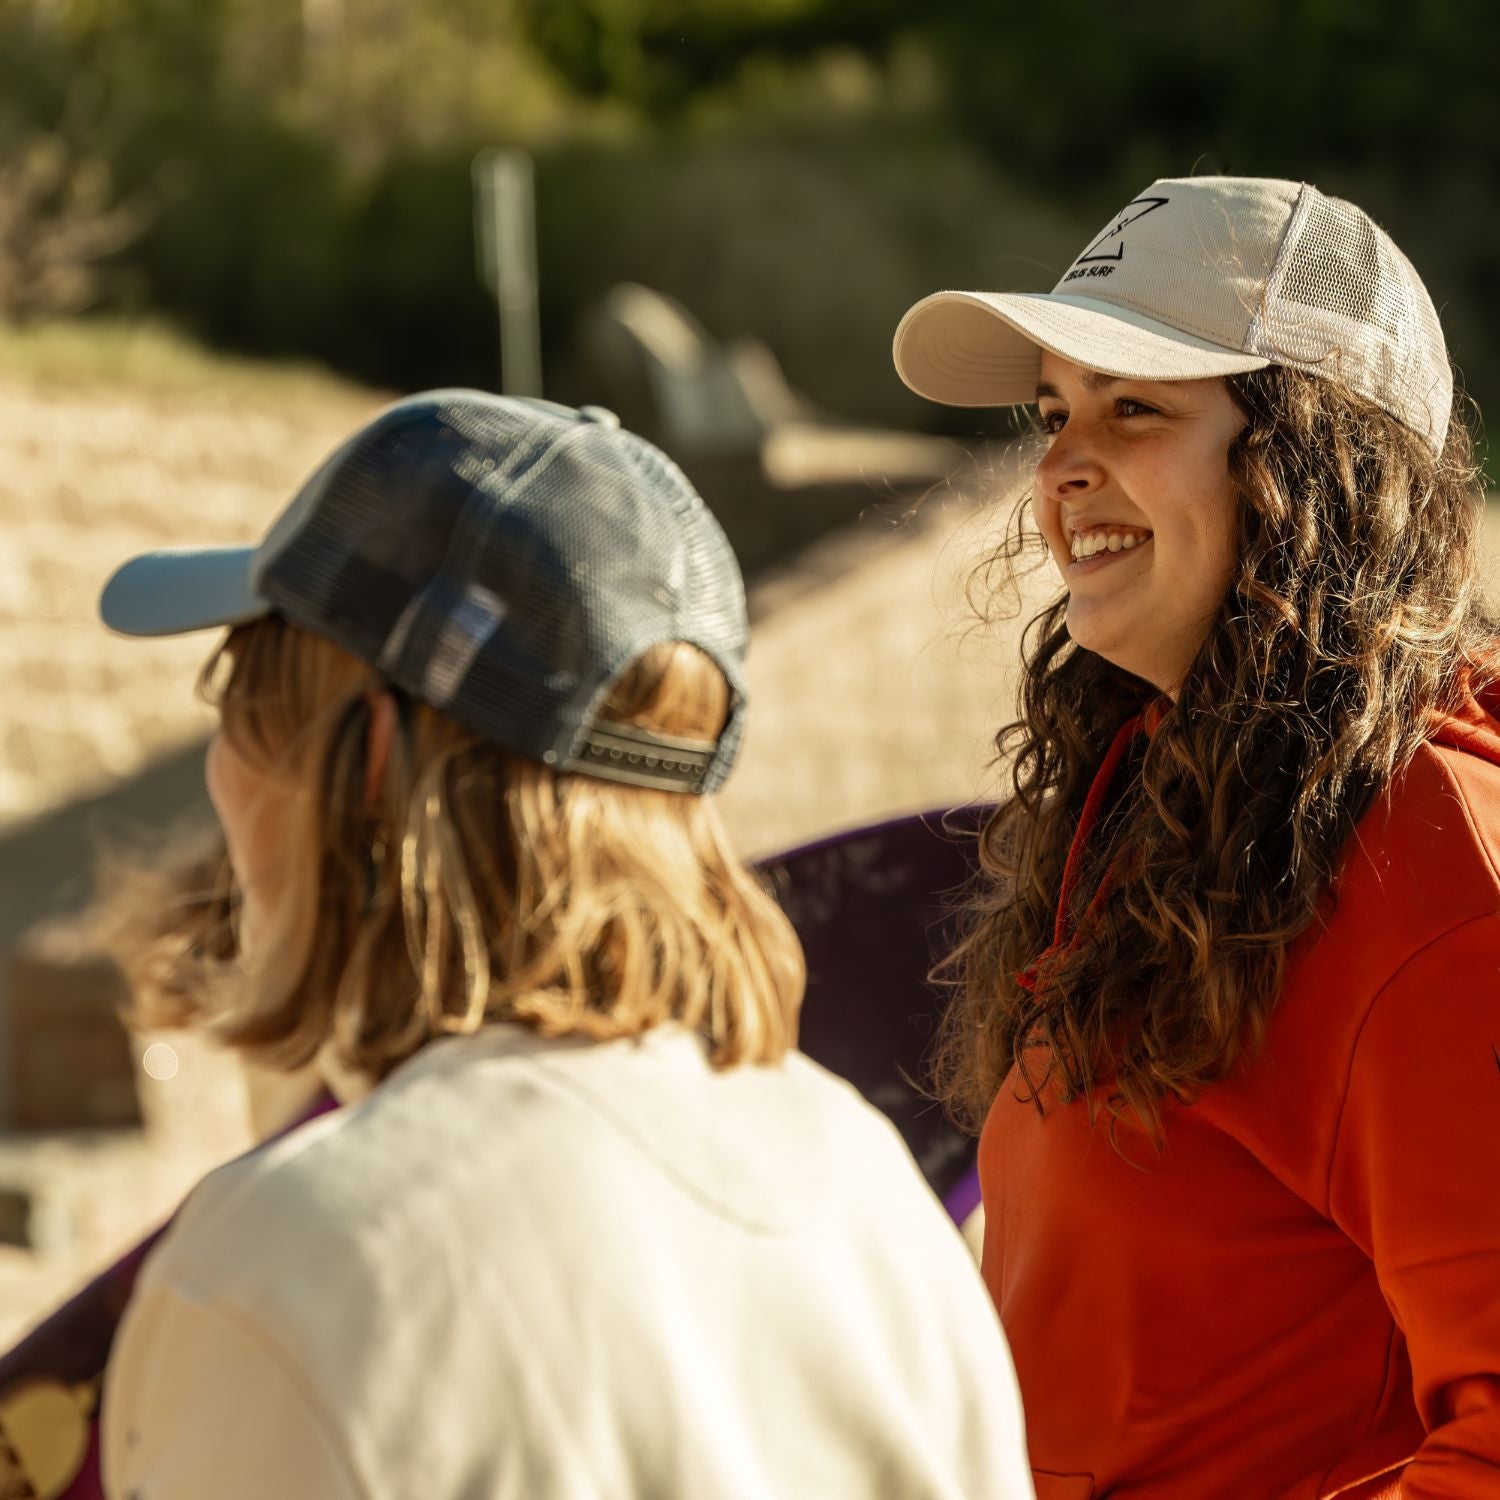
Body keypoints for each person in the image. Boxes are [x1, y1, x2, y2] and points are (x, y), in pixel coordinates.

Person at [96, 393, 1033, 1499]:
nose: (224, 774)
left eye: (243, 700)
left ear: (363, 767)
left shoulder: (285, 1270)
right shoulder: (864, 1190)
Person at [893, 175, 1500, 1498]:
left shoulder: (1433, 852)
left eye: (1135, 407)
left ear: (1314, 460)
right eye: (1052, 412)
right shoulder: (1170, 782)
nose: (1060, 466)